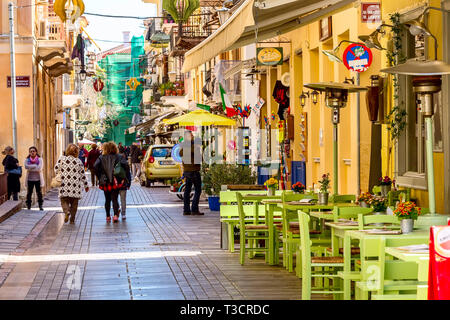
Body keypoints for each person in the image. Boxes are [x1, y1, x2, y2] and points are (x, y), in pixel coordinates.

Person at [94, 142, 128, 223]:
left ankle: (108, 216)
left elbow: (95, 166)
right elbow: (126, 165)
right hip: (115, 181)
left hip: (105, 181)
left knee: (107, 199)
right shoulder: (119, 156)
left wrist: (100, 176)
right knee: (114, 198)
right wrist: (123, 176)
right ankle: (115, 215)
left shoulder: (101, 157)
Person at [55, 144, 89, 224]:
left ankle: (67, 212)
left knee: (63, 200)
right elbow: (82, 175)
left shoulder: (62, 159)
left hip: (64, 185)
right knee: (74, 203)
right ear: (76, 152)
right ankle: (72, 219)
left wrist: (61, 174)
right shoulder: (79, 162)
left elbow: (56, 169)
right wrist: (86, 185)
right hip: (75, 187)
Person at [180, 131, 203, 216]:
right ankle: (194, 209)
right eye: (192, 135)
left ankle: (186, 210)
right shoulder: (194, 146)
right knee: (198, 190)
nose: (193, 136)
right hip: (194, 171)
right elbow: (199, 158)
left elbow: (180, 153)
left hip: (186, 171)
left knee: (187, 191)